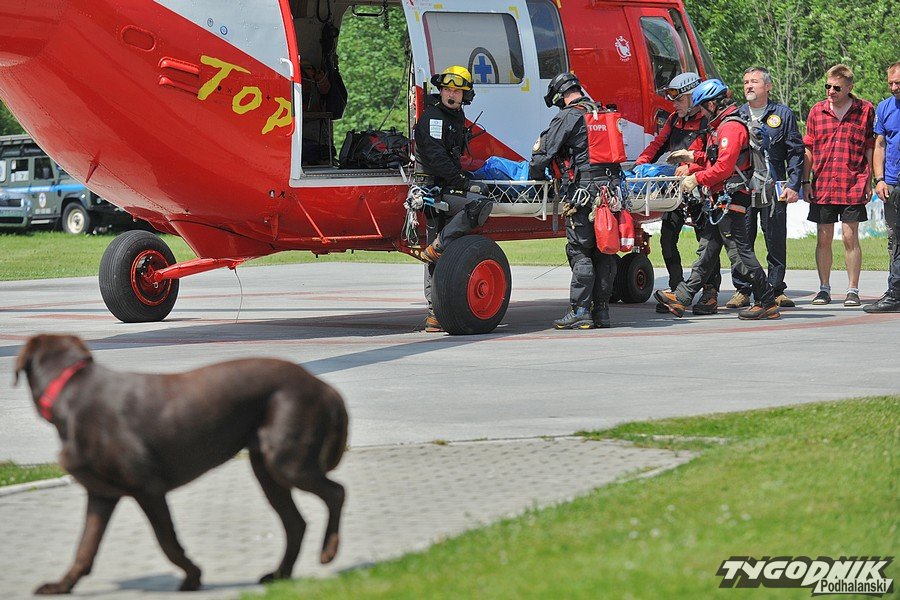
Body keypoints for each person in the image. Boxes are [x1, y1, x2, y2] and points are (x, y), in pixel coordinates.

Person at [654, 79, 780, 320]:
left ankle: (766, 301)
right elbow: (716, 157)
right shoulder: (722, 125)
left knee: (740, 254)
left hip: (732, 198)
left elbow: (724, 167)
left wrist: (696, 178)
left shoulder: (730, 127)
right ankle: (682, 298)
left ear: (712, 105)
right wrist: (693, 156)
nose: (701, 113)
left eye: (702, 108)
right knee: (707, 251)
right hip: (721, 199)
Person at [529, 72, 622, 329]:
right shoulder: (602, 114)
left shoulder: (568, 116)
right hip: (610, 194)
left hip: (582, 195)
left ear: (560, 96)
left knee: (580, 251)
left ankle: (580, 310)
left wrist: (536, 181)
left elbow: (543, 153)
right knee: (604, 251)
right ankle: (601, 312)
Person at [414, 65, 493, 333]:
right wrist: (462, 182)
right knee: (479, 204)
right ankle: (434, 312)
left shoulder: (456, 116)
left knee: (441, 252)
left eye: (457, 91)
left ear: (465, 96)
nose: (451, 94)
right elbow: (436, 157)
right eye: (447, 89)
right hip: (433, 190)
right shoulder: (434, 118)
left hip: (446, 186)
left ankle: (436, 314)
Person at [634, 72, 719, 316]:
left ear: (693, 97)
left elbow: (713, 157)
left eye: (679, 100)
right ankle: (676, 290)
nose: (674, 105)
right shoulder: (674, 120)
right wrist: (641, 163)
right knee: (668, 240)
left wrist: (691, 168)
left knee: (706, 244)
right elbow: (658, 144)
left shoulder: (708, 121)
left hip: (700, 189)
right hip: (675, 191)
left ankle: (710, 293)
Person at [726, 66, 805, 309]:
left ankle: (776, 289)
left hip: (773, 185)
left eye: (754, 81)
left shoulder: (782, 114)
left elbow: (795, 152)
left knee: (775, 237)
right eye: (746, 82)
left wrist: (794, 184)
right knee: (742, 239)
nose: (749, 86)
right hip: (743, 186)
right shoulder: (737, 115)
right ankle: (743, 289)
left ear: (768, 86)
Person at [802, 64, 876, 307]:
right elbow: (808, 149)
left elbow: (870, 147)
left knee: (849, 237)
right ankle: (824, 288)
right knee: (823, 238)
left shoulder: (865, 110)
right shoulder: (817, 111)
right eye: (828, 86)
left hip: (853, 182)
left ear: (849, 87)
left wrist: (871, 179)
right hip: (823, 183)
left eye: (837, 88)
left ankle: (852, 289)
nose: (831, 92)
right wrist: (805, 181)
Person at [864, 61, 900, 313]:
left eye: (898, 83)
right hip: (893, 183)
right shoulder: (885, 107)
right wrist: (880, 179)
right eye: (891, 83)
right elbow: (879, 144)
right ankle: (896, 293)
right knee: (896, 241)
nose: (894, 87)